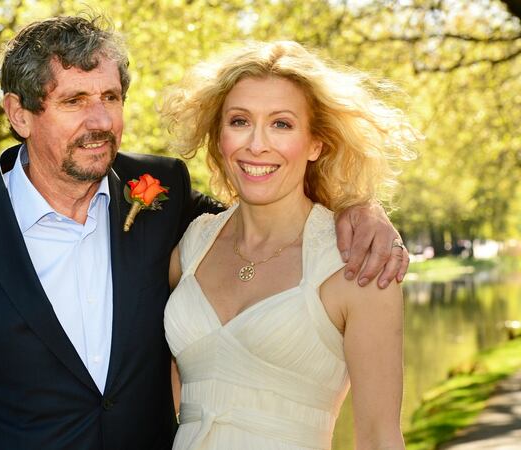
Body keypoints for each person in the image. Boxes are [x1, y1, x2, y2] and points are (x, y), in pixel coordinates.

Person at [0, 16, 408, 450]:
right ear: (19, 113)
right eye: (73, 100)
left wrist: (360, 208)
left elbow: (271, 205)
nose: (100, 120)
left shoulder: (162, 196)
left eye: (110, 97)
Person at [162, 41, 418, 449]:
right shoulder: (192, 246)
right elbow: (166, 402)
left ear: (316, 143)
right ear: (219, 135)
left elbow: (378, 436)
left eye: (281, 124)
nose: (257, 144)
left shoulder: (356, 263)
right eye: (240, 121)